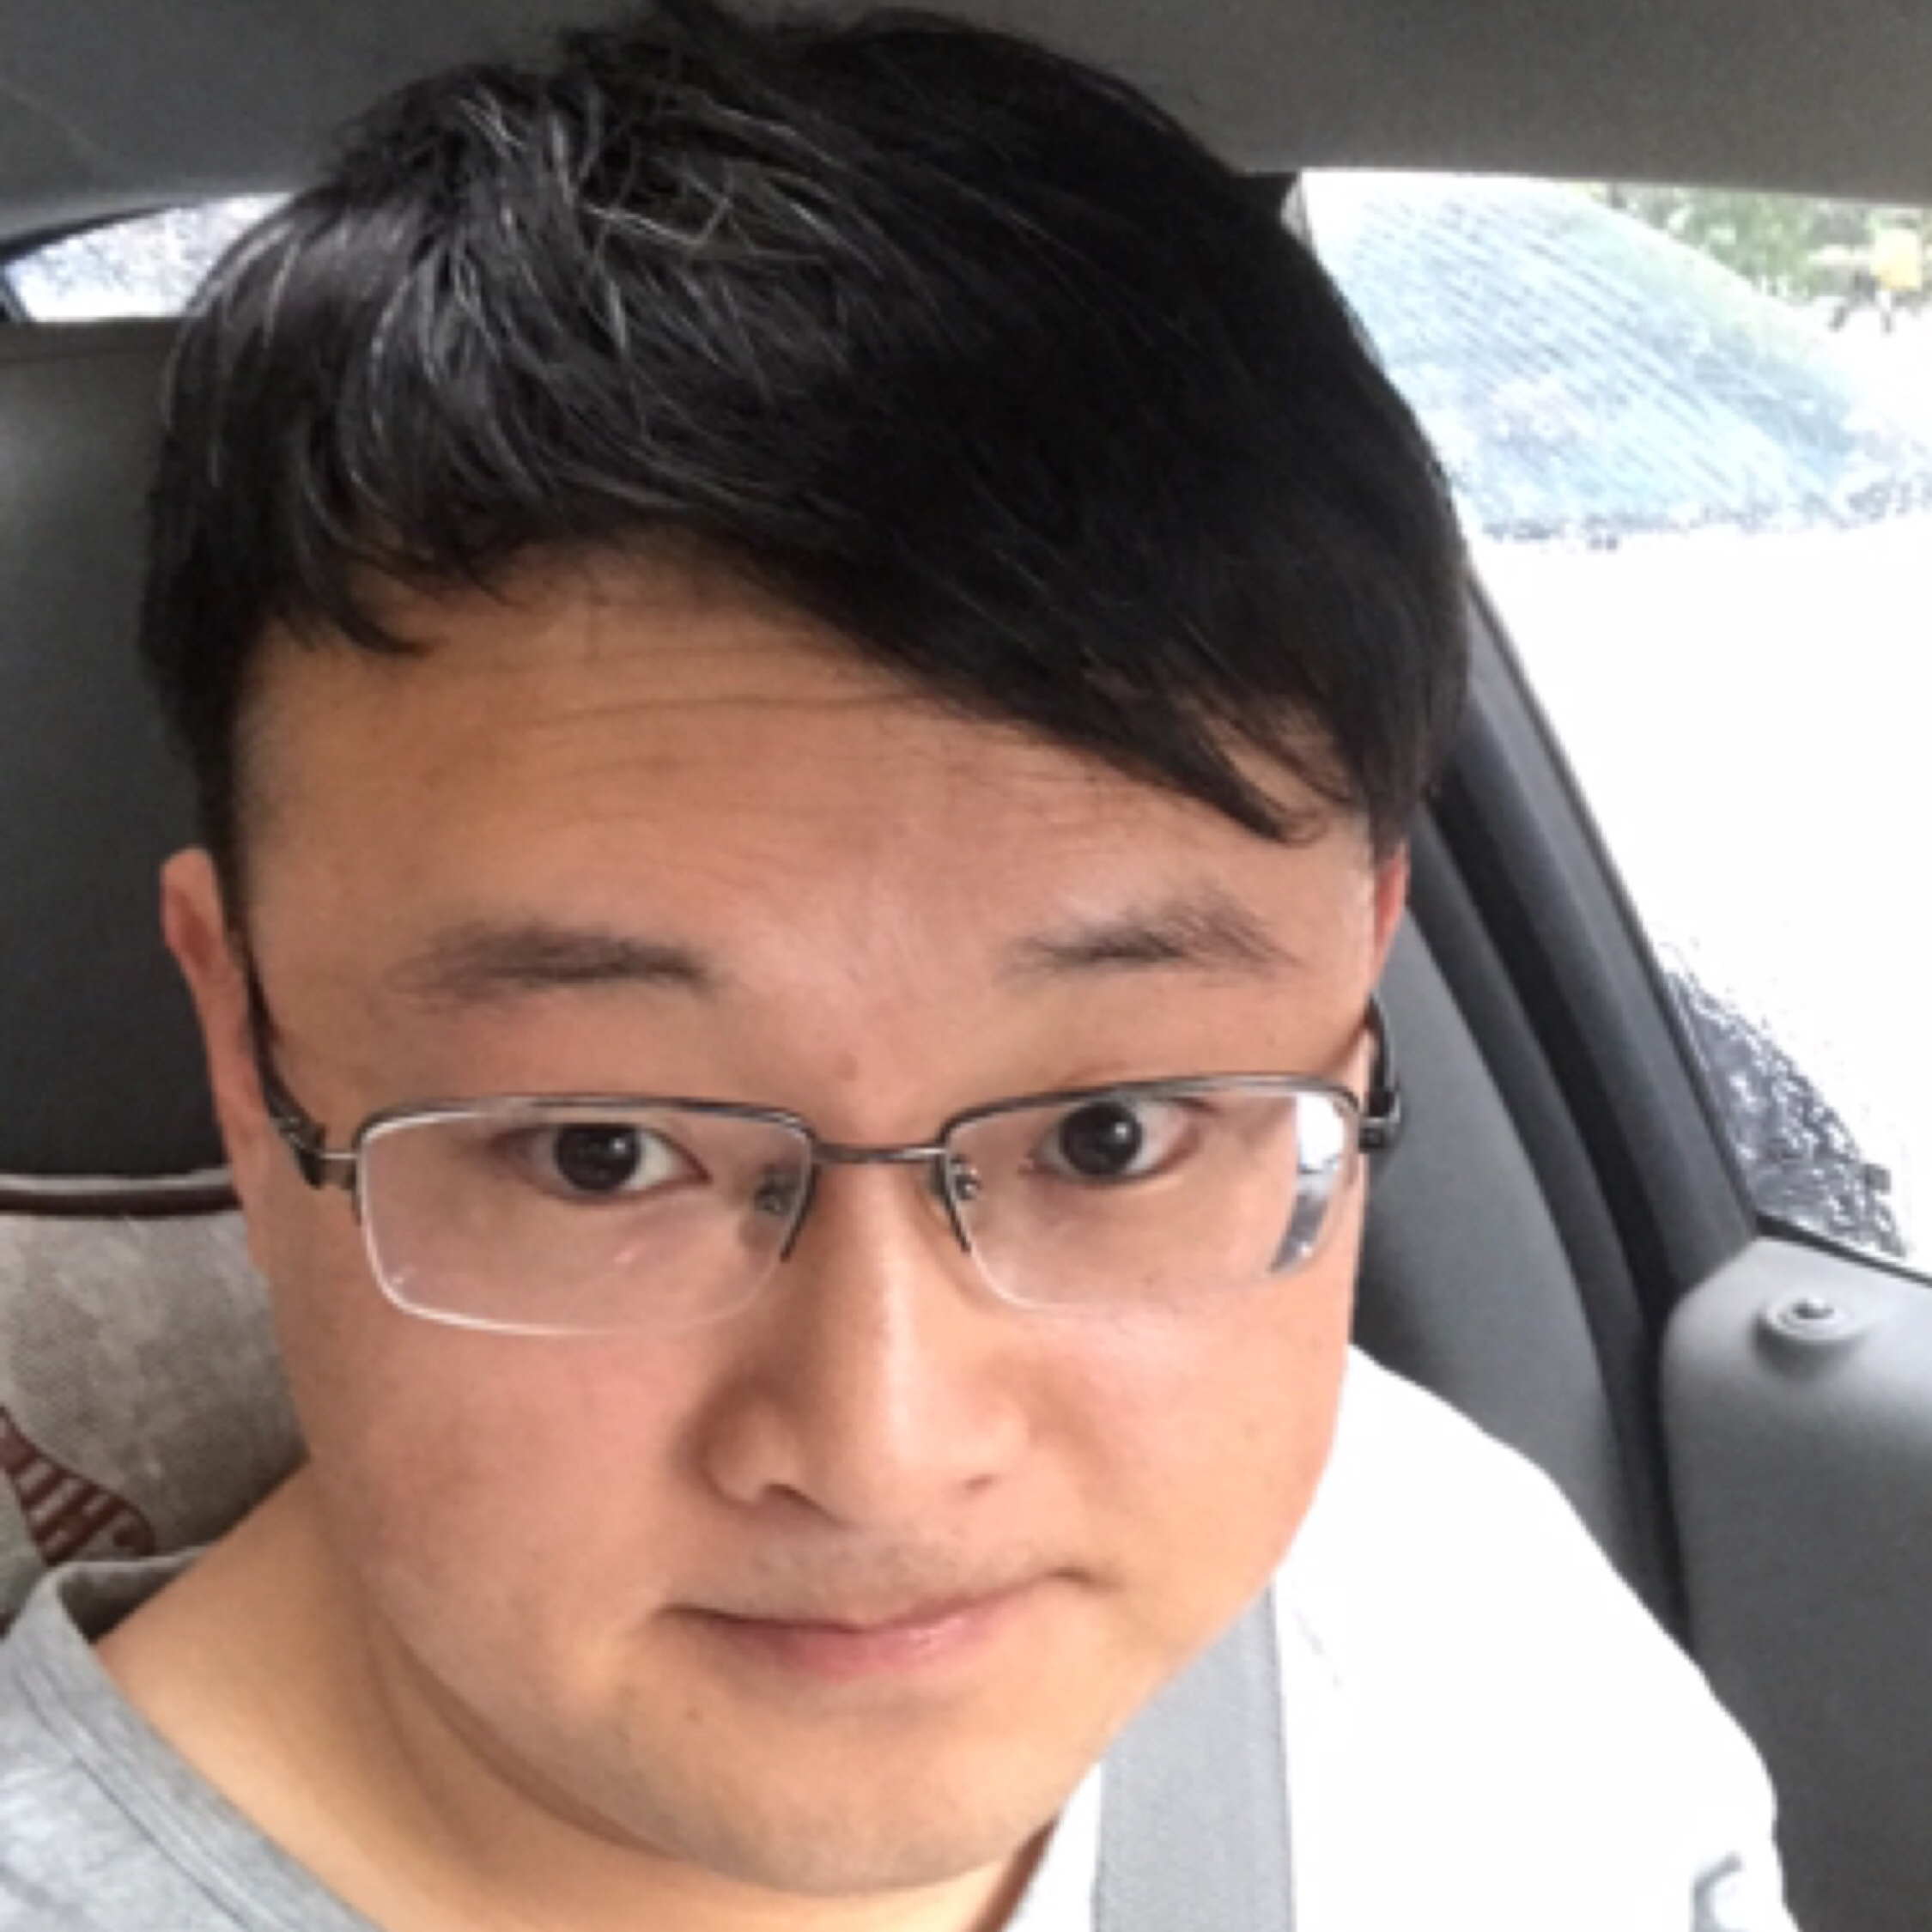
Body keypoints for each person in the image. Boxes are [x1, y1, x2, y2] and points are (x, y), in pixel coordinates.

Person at [0, 3, 1795, 1927]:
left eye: (1110, 1134)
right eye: (599, 1153)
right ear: (244, 1043)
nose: (882, 1453)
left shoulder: (1463, 1623)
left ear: (1350, 1000)